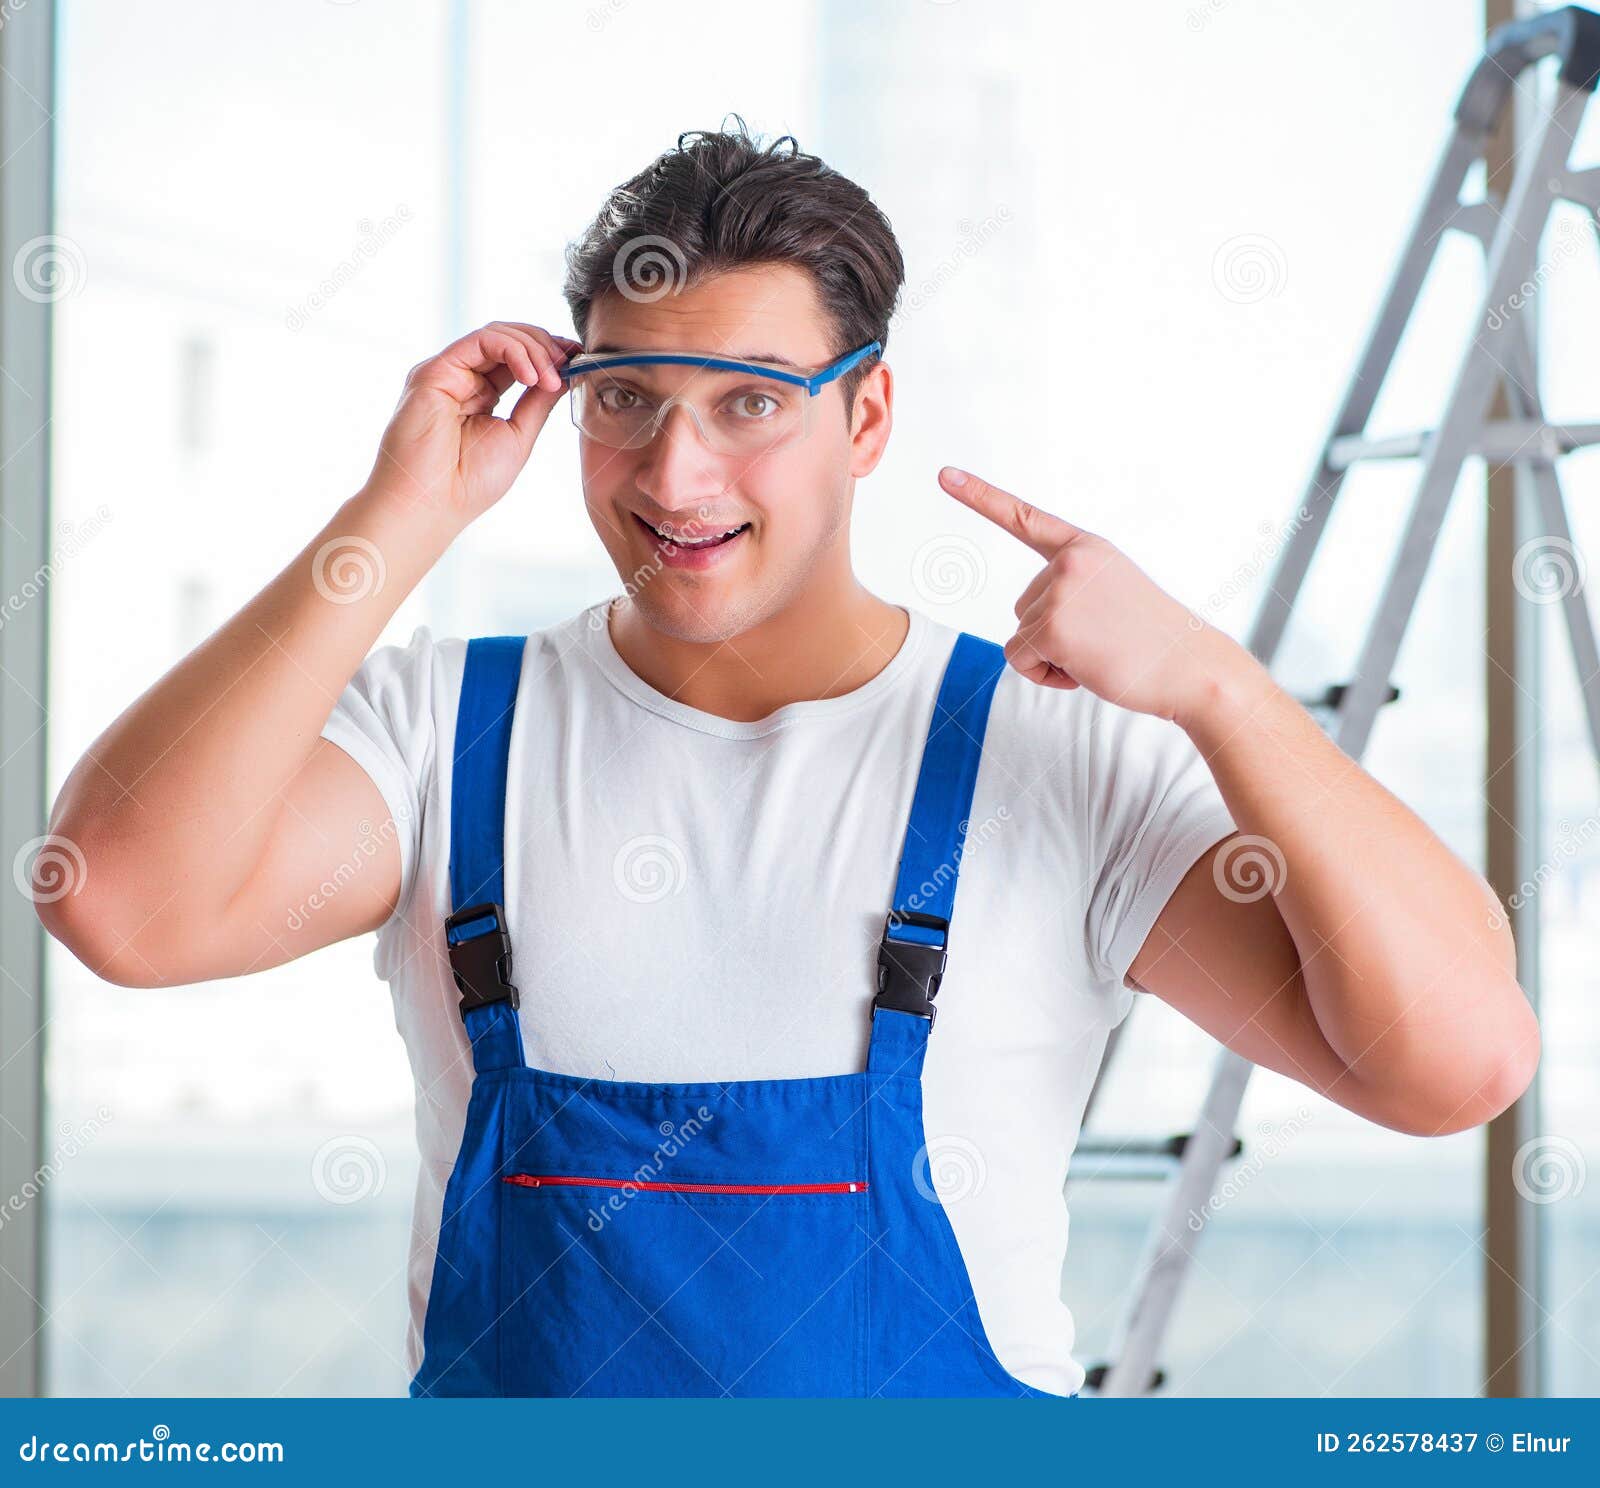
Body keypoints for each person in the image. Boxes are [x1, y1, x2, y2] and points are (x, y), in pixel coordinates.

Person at [38, 125, 1538, 1398]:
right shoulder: (445, 735)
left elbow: (1457, 1061)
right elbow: (117, 899)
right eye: (625, 399)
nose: (676, 477)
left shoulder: (1046, 758)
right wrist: (398, 519)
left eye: (750, 403)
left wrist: (1219, 689)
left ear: (865, 412)